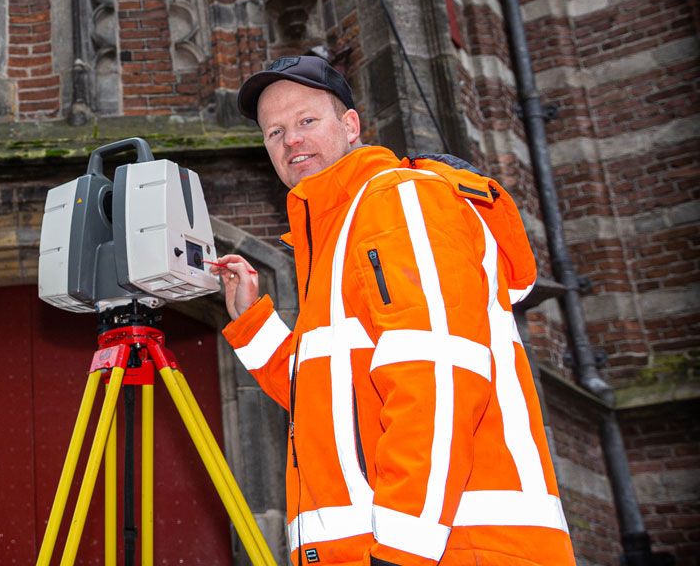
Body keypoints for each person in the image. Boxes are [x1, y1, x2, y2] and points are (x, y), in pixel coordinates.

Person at [209, 55, 577, 566]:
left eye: (306, 121)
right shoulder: (334, 237)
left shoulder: (399, 200)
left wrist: (404, 548)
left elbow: (441, 375)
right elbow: (328, 399)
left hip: (452, 548)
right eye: (274, 132)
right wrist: (252, 323)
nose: (290, 140)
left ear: (351, 125)